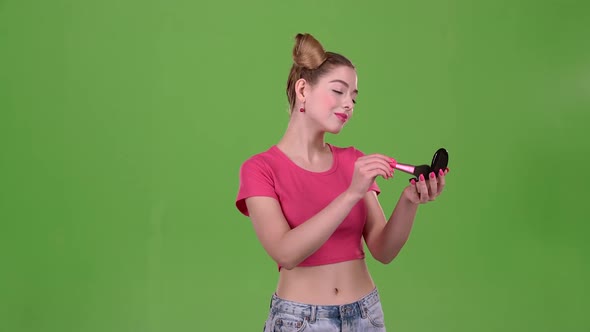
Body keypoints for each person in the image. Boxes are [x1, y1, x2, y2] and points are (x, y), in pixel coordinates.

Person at [235, 33, 449, 332]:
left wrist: (409, 201)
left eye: (354, 97)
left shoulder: (353, 161)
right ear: (302, 90)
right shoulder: (260, 169)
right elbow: (286, 253)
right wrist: (350, 194)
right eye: (338, 91)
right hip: (301, 321)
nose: (348, 104)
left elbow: (383, 250)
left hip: (366, 315)